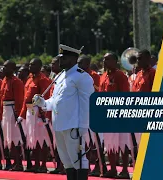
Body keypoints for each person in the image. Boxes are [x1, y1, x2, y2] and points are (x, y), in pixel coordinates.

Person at [33, 44, 94, 180]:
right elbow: (55, 100)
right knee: (66, 160)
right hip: (59, 124)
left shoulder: (82, 77)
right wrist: (43, 103)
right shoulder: (60, 76)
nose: (60, 61)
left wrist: (83, 126)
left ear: (73, 60)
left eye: (63, 58)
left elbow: (87, 103)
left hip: (73, 124)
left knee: (78, 158)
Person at [18, 58, 52, 173]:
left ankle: (42, 165)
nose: (30, 66)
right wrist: (22, 115)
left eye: (33, 65)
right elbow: (25, 99)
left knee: (41, 139)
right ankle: (35, 164)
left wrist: (44, 114)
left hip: (38, 112)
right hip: (29, 111)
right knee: (32, 138)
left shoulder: (43, 79)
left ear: (39, 66)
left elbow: (46, 98)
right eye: (30, 64)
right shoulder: (29, 79)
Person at [99, 53, 130, 179]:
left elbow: (125, 96)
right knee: (109, 142)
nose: (104, 61)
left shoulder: (120, 75)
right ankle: (112, 169)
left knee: (123, 142)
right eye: (104, 59)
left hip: (118, 114)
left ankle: (124, 170)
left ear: (115, 61)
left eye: (107, 59)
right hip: (106, 115)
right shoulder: (103, 76)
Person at [77, 55, 103, 176]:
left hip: (92, 111)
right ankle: (86, 166)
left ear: (87, 63)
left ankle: (99, 166)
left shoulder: (94, 76)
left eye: (80, 63)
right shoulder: (77, 75)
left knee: (96, 140)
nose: (78, 65)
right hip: (82, 112)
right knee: (85, 141)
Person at [0, 60, 25, 171]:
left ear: (12, 69)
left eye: (6, 67)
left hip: (13, 111)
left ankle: (18, 163)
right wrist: (0, 114)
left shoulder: (16, 81)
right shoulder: (4, 80)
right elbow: (0, 99)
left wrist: (19, 115)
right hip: (5, 110)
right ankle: (13, 162)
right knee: (8, 138)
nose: (3, 69)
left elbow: (19, 100)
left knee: (15, 138)